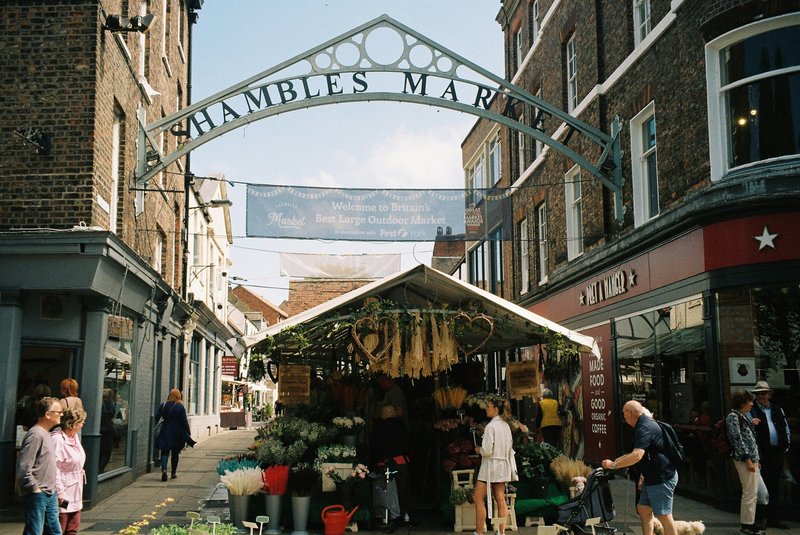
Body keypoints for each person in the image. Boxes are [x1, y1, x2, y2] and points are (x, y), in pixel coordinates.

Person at [601, 400, 677, 535]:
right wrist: (642, 474)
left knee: (664, 515)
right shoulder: (642, 424)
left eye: (624, 413)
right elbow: (645, 453)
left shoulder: (644, 427)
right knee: (643, 508)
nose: (623, 418)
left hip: (661, 476)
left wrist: (613, 465)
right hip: (651, 475)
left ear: (630, 413)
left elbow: (637, 455)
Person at [16, 396, 64, 535]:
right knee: (34, 530)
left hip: (49, 491)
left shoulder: (46, 433)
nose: (61, 415)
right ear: (47, 414)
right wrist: (34, 488)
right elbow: (24, 466)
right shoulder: (36, 434)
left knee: (54, 531)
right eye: (58, 412)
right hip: (38, 493)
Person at [473, 395, 517, 535]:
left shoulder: (491, 426)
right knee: (500, 497)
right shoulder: (506, 426)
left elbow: (486, 450)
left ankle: (480, 532)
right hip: (502, 465)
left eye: (488, 407)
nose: (486, 409)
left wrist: (478, 449)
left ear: (496, 409)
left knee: (478, 498)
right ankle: (501, 532)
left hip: (490, 466)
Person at [749, 380, 790, 529]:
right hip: (761, 453)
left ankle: (773, 518)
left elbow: (785, 428)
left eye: (764, 393)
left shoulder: (777, 409)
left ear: (769, 394)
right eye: (758, 394)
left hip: (776, 451)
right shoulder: (751, 410)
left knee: (774, 486)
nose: (761, 396)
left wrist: (785, 446)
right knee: (760, 488)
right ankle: (760, 519)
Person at [728, 389, 768, 535]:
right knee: (750, 492)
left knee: (760, 493)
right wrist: (748, 460)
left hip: (752, 460)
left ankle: (755, 522)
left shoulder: (742, 416)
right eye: (750, 401)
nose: (752, 404)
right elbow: (737, 440)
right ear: (742, 403)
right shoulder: (733, 417)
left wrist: (755, 459)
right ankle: (747, 525)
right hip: (745, 460)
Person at [371, 403, 411, 532]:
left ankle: (387, 516)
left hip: (385, 464)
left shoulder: (379, 427)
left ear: (383, 415)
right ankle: (405, 515)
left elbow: (376, 447)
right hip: (401, 462)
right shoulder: (402, 426)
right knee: (402, 490)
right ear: (393, 413)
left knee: (387, 493)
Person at [52, 407, 87, 535]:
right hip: (64, 491)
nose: (83, 425)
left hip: (75, 488)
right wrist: (60, 492)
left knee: (74, 524)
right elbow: (54, 468)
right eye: (80, 422)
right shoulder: (57, 439)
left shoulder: (74, 437)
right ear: (71, 424)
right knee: (62, 522)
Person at [155, 388, 195, 481]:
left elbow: (157, 417)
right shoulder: (180, 407)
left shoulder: (163, 405)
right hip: (177, 433)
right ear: (178, 397)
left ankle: (164, 471)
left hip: (165, 431)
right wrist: (188, 432)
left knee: (164, 452)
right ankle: (173, 473)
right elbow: (184, 421)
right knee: (175, 453)